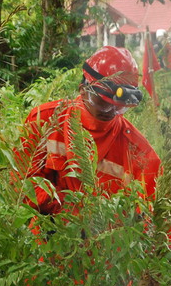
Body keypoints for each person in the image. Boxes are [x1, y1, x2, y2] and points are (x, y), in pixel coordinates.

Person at [15, 46, 162, 218]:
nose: (111, 111)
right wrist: (67, 209)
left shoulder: (140, 153)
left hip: (108, 241)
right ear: (83, 90)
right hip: (48, 231)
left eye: (120, 108)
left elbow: (155, 218)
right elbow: (23, 181)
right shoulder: (44, 120)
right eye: (103, 102)